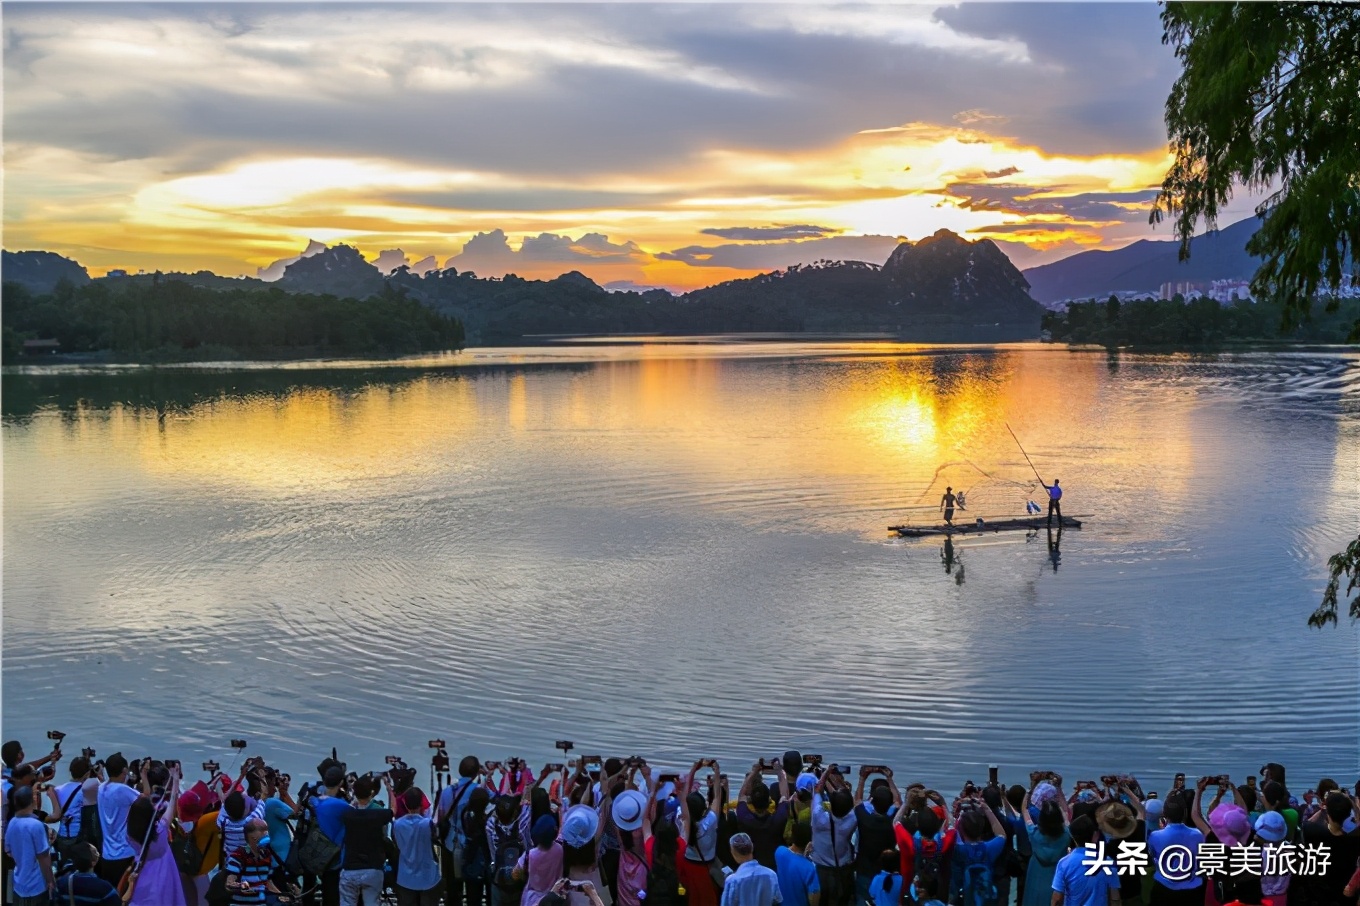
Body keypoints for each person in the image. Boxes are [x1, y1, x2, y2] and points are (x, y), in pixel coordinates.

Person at [126, 769, 187, 906]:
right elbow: (173, 802)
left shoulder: (130, 835)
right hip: (165, 871)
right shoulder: (160, 830)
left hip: (142, 870)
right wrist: (175, 779)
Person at [437, 756, 487, 906]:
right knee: (474, 891)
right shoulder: (478, 791)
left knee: (452, 890)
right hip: (472, 845)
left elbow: (440, 817)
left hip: (450, 844)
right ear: (476, 772)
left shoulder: (447, 792)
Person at [338, 775, 395, 906]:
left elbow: (352, 806)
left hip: (350, 869)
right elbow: (393, 810)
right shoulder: (378, 814)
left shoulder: (347, 815)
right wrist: (389, 789)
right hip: (373, 868)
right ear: (372, 793)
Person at [1299, 790, 1360, 906]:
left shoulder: (1313, 832)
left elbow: (1306, 823)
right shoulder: (1353, 841)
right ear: (1348, 814)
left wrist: (1323, 809)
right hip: (1344, 895)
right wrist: (1352, 804)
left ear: (1328, 812)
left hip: (1319, 894)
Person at [852, 769, 900, 906]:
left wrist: (862, 778)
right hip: (886, 870)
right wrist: (889, 778)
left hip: (864, 868)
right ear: (890, 803)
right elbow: (898, 802)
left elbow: (857, 801)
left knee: (863, 899)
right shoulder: (894, 822)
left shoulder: (864, 818)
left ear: (871, 801)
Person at [681, 758, 724, 906]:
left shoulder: (682, 821)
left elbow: (684, 796)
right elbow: (717, 796)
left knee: (691, 898)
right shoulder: (710, 821)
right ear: (703, 809)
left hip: (689, 867)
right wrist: (716, 773)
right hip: (707, 867)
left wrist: (693, 770)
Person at [807, 773, 856, 906]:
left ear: (830, 805)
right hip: (843, 869)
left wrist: (825, 773)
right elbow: (851, 803)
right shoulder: (853, 819)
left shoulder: (818, 817)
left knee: (822, 900)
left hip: (821, 868)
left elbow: (817, 790)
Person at [5, 784, 57, 906]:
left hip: (18, 885)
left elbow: (8, 851)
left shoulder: (12, 822)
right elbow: (44, 858)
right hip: (36, 885)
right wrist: (50, 880)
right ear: (33, 801)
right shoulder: (36, 825)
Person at [1147, 793, 1202, 906]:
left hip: (1164, 889)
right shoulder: (1198, 834)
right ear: (1184, 813)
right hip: (1192, 891)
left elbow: (1153, 856)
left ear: (1164, 814)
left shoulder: (1154, 836)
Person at [1051, 815, 1119, 906]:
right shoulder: (1108, 863)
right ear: (1095, 836)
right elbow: (1115, 898)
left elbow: (1057, 899)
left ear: (1073, 837)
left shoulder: (1064, 863)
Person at [96, 753, 142, 886]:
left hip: (107, 854)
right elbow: (147, 800)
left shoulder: (101, 788)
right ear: (125, 770)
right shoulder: (123, 790)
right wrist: (143, 775)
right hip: (125, 852)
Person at [1020, 786, 1071, 906]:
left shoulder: (1033, 833)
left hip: (1035, 880)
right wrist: (1058, 787)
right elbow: (1065, 811)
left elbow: (1024, 809)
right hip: (1056, 881)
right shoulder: (1066, 835)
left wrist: (1031, 787)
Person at [224, 817, 291, 906]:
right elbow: (229, 884)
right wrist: (240, 886)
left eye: (266, 830)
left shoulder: (266, 854)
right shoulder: (239, 855)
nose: (266, 833)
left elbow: (268, 882)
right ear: (252, 837)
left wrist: (281, 895)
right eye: (262, 830)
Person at [393, 786, 443, 906]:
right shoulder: (428, 824)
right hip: (428, 876)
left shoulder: (397, 825)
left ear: (404, 803)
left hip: (405, 877)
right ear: (421, 803)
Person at [736, 763, 791, 870]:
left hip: (753, 866)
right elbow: (785, 795)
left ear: (750, 800)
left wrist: (754, 772)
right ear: (768, 800)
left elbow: (741, 795)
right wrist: (780, 772)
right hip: (774, 866)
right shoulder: (778, 819)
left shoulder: (746, 818)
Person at [514, 814, 565, 906]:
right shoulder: (560, 849)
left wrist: (523, 874)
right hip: (553, 897)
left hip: (532, 899)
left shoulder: (529, 856)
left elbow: (515, 874)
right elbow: (562, 831)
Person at [721, 833, 782, 906]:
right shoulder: (771, 874)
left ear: (733, 852)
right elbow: (777, 901)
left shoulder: (732, 881)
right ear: (752, 847)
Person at [53, 841, 121, 906]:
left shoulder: (61, 883)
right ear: (93, 862)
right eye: (95, 852)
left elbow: (57, 901)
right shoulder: (105, 889)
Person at [774, 822, 820, 906]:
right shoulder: (809, 868)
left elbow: (794, 861)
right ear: (809, 842)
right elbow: (814, 897)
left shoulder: (779, 852)